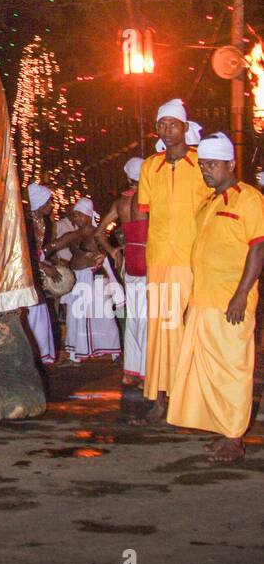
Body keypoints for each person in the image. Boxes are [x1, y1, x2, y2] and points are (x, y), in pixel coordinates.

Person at [167, 133, 264, 463]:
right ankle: (223, 428)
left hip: (230, 302)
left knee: (233, 368)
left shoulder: (248, 199)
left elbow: (258, 248)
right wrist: (191, 303)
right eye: (204, 164)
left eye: (214, 164)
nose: (207, 170)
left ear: (230, 165)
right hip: (203, 300)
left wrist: (240, 295)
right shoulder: (208, 203)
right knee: (207, 368)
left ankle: (235, 438)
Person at [134, 98, 210, 424]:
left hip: (192, 259)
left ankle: (187, 402)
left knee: (187, 329)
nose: (167, 129)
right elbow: (145, 213)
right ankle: (160, 401)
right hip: (159, 259)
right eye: (161, 124)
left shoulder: (202, 164)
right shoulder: (150, 166)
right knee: (160, 329)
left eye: (172, 124)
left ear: (184, 127)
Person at [46, 197, 121, 364]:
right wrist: (43, 253)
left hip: (95, 279)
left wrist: (106, 258)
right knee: (76, 316)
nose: (76, 218)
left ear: (88, 215)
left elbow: (107, 252)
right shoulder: (75, 234)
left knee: (103, 315)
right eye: (75, 216)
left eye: (80, 215)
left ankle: (111, 350)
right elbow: (57, 244)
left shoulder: (96, 233)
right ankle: (77, 352)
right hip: (78, 280)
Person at [96, 157, 148, 386]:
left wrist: (115, 252)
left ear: (128, 177)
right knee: (147, 318)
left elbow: (99, 233)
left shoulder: (120, 203)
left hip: (129, 260)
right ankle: (147, 372)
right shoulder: (150, 199)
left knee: (133, 315)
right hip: (149, 258)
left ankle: (130, 371)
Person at [23, 181, 57, 365]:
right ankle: (38, 354)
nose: (51, 206)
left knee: (39, 308)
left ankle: (42, 354)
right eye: (47, 202)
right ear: (38, 203)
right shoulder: (27, 222)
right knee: (36, 307)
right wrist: (44, 266)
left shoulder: (43, 222)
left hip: (34, 269)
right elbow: (25, 251)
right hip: (26, 272)